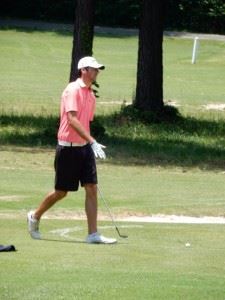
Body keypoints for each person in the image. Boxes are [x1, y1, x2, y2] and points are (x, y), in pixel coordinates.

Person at [27, 56, 117, 244]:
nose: (97, 72)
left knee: (91, 187)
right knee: (61, 192)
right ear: (83, 70)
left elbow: (86, 122)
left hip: (84, 149)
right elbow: (72, 120)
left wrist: (89, 144)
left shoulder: (90, 94)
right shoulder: (72, 90)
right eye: (94, 69)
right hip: (67, 149)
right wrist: (92, 141)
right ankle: (35, 216)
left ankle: (93, 234)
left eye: (98, 69)